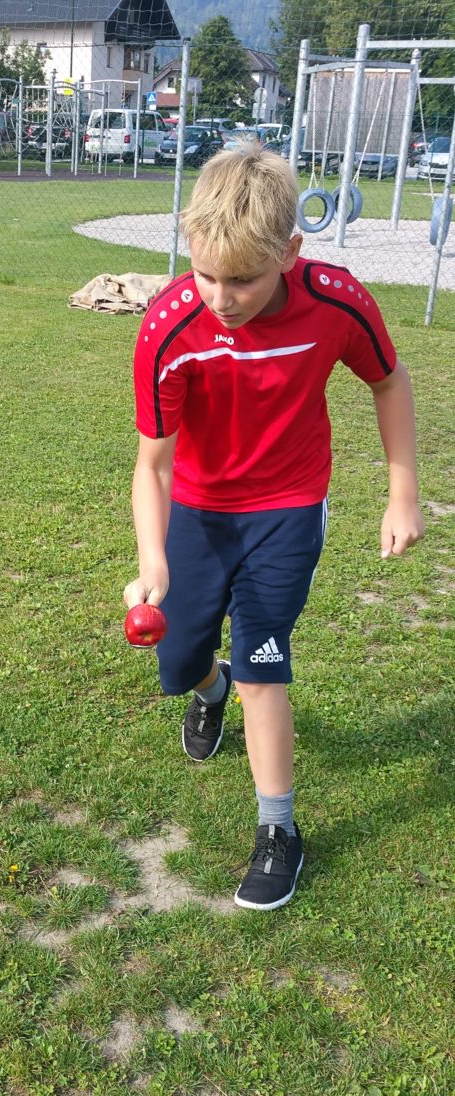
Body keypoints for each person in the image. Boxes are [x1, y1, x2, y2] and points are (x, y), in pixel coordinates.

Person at [124, 145, 424, 910]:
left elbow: (389, 380)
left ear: (290, 253)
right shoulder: (169, 328)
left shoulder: (335, 302)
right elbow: (152, 464)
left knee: (265, 664)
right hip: (197, 510)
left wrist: (402, 494)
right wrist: (153, 560)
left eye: (243, 280)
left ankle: (278, 829)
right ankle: (210, 686)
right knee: (181, 656)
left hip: (287, 509)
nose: (221, 298)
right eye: (206, 274)